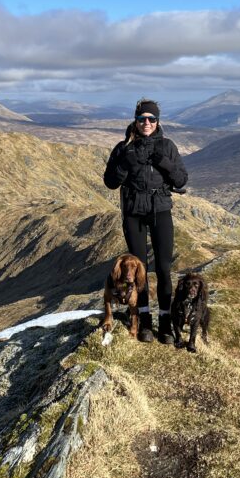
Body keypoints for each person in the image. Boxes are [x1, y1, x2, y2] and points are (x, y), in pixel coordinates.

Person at [103, 98, 188, 343]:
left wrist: (164, 162)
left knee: (163, 268)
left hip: (160, 210)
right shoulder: (123, 148)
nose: (147, 123)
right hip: (133, 213)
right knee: (140, 272)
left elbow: (181, 180)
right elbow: (110, 181)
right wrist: (125, 164)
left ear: (158, 121)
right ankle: (144, 323)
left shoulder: (168, 146)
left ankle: (165, 324)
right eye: (142, 119)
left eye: (151, 119)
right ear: (136, 121)